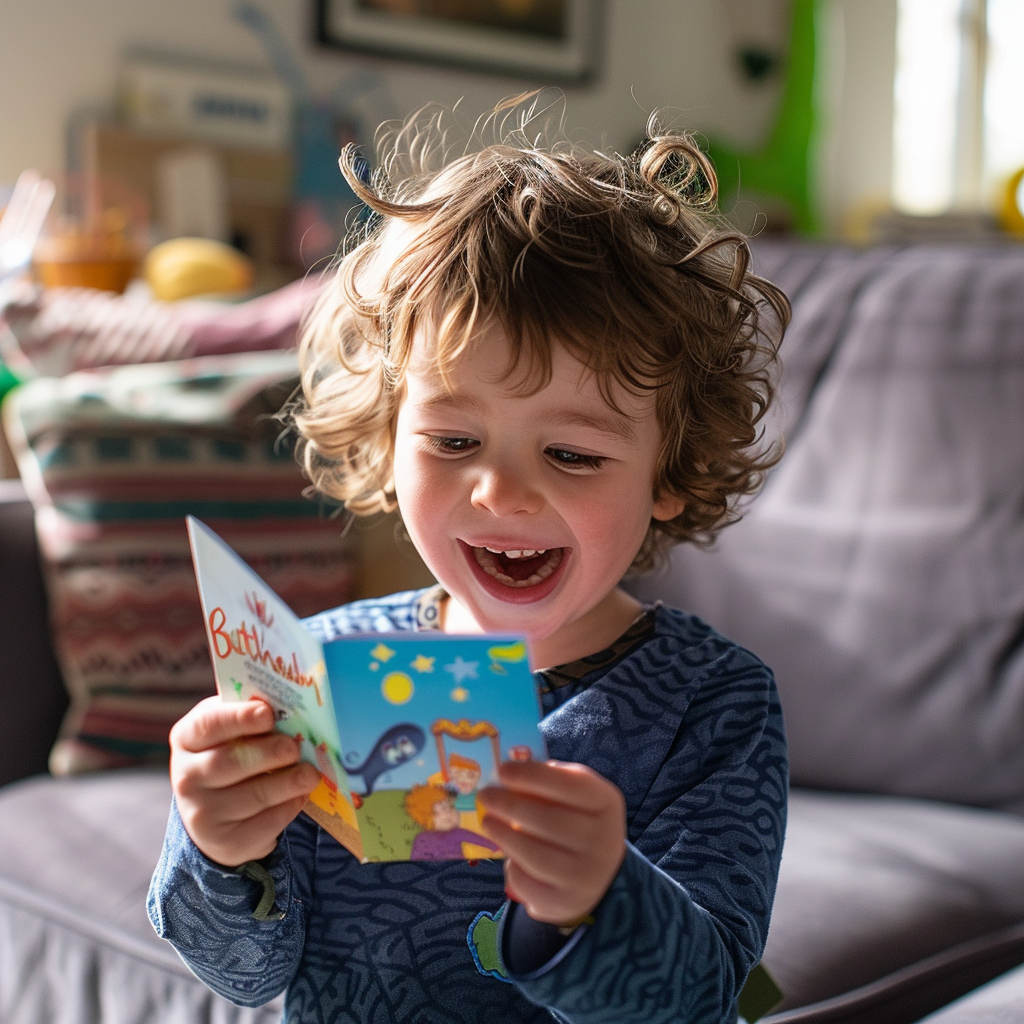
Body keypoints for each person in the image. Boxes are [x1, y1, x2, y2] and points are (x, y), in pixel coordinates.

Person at [148, 104, 790, 1024]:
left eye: (571, 454)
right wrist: (215, 845)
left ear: (668, 474)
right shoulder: (319, 669)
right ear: (387, 439)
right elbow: (247, 974)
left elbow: (694, 1001)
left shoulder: (714, 703)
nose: (501, 494)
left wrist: (593, 903)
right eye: (453, 439)